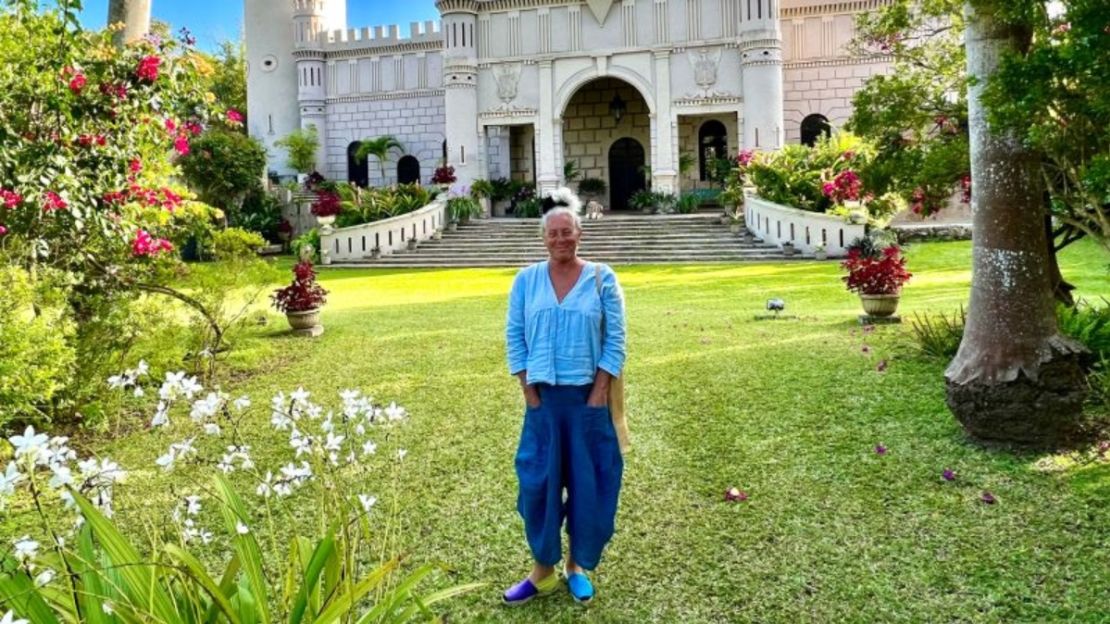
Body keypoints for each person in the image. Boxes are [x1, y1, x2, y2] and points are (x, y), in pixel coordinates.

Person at [503, 206, 627, 605]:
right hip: (542, 403)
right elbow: (515, 336)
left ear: (579, 235)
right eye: (553, 233)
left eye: (567, 232)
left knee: (590, 485)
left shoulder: (601, 278)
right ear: (544, 238)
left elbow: (616, 341)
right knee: (537, 485)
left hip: (588, 402)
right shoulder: (526, 281)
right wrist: (530, 395)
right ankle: (542, 571)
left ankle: (577, 566)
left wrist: (598, 394)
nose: (560, 239)